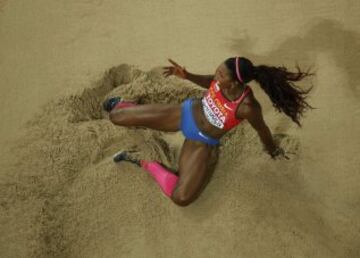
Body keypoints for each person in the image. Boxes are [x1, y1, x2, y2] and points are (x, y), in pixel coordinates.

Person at [103, 56, 315, 206]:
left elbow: (263, 130)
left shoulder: (247, 107)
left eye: (221, 74)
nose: (216, 74)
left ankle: (146, 162)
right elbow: (208, 81)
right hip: (184, 115)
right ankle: (125, 103)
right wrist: (186, 75)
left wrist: (273, 150)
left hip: (201, 142)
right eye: (218, 69)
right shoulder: (219, 80)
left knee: (181, 198)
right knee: (115, 116)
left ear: (234, 82)